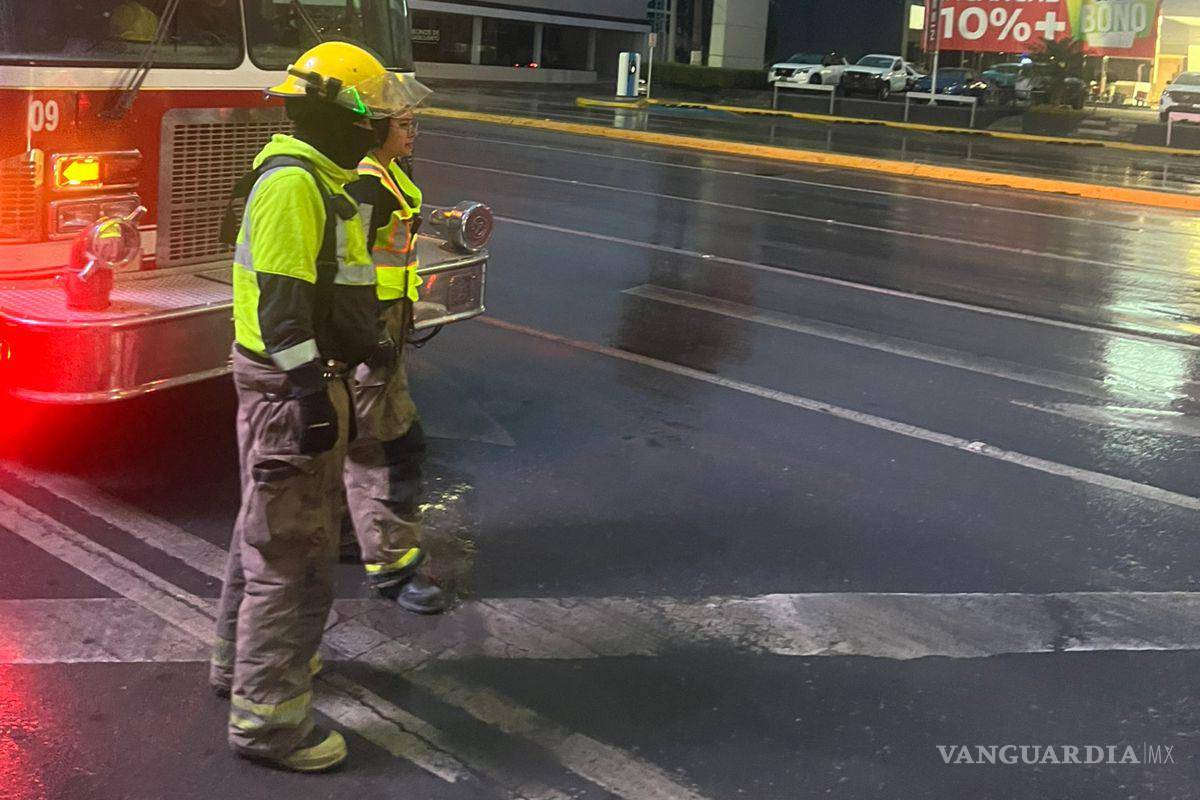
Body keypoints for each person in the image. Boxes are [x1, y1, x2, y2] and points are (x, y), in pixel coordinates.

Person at [209, 40, 415, 773]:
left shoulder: (322, 179)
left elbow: (332, 286)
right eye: (376, 117)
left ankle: (241, 669)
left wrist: (371, 341)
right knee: (294, 560)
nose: (382, 129)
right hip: (289, 386)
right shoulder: (295, 184)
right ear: (341, 117)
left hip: (292, 382)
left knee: (263, 536)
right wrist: (309, 395)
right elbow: (284, 311)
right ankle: (269, 724)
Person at [343, 87, 446, 615]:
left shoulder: (383, 174)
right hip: (372, 327)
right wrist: (371, 333)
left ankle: (349, 534)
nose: (410, 131)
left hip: (384, 322)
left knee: (358, 435)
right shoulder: (365, 181)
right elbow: (349, 264)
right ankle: (393, 565)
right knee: (389, 445)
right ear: (374, 127)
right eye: (402, 123)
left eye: (412, 123)